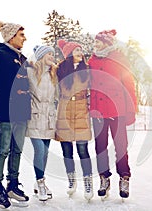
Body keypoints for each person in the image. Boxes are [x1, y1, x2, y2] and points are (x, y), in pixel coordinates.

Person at [0, 20, 31, 209]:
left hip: (21, 113)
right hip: (5, 111)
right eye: (21, 35)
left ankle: (12, 185)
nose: (24, 38)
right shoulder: (0, 55)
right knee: (2, 150)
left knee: (17, 150)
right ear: (11, 37)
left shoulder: (22, 58)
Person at [88, 29, 137, 199]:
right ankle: (104, 178)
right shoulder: (91, 61)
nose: (95, 44)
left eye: (98, 41)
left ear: (107, 43)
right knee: (100, 147)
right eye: (95, 42)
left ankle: (124, 177)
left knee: (120, 146)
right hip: (98, 112)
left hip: (117, 110)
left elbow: (129, 85)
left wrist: (131, 110)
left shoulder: (119, 59)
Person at [55, 39, 93, 201]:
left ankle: (88, 181)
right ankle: (71, 180)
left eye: (81, 50)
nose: (80, 53)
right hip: (64, 110)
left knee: (83, 149)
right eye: (77, 50)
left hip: (81, 110)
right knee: (66, 150)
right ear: (69, 54)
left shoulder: (87, 70)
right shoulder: (60, 70)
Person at [25, 45, 57, 201]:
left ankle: (39, 183)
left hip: (49, 117)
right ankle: (41, 183)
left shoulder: (53, 74)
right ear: (41, 56)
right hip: (35, 116)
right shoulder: (30, 72)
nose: (52, 56)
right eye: (49, 54)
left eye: (53, 54)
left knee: (45, 154)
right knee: (39, 151)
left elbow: (58, 95)